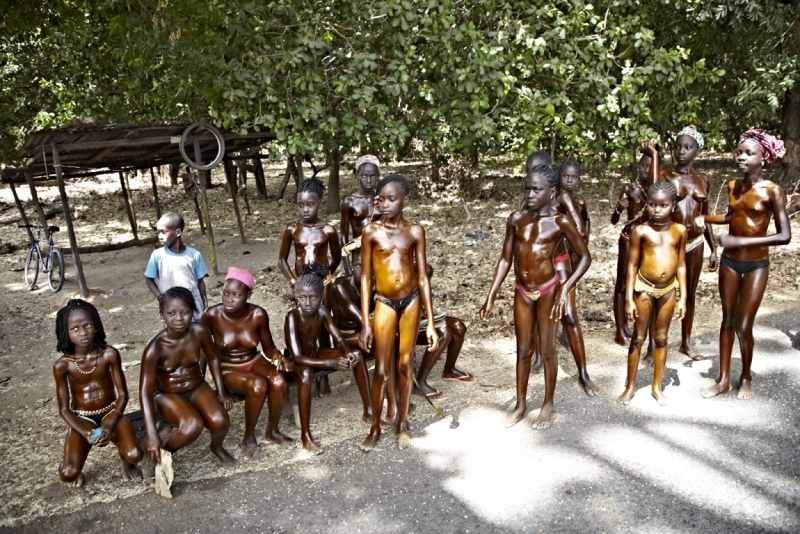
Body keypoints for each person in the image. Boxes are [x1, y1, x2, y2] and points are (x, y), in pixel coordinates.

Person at [480, 164, 591, 429]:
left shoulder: (560, 222)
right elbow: (505, 258)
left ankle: (548, 405)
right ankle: (520, 404)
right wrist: (491, 295)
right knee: (523, 349)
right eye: (527, 189)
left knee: (548, 349)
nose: (530, 194)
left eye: (536, 190)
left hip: (548, 290)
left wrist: (565, 288)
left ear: (551, 192)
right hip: (522, 291)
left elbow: (585, 256)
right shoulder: (516, 219)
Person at [703, 128, 790, 400]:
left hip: (756, 265)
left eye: (748, 153)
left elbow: (785, 236)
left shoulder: (773, 191)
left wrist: (741, 241)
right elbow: (732, 217)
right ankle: (723, 380)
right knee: (727, 321)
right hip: (730, 262)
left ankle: (746, 377)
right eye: (739, 152)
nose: (741, 157)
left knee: (743, 326)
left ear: (763, 158)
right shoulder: (733, 186)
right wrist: (704, 218)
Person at [359, 174, 438, 451]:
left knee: (405, 364)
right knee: (381, 369)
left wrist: (430, 322)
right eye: (382, 199)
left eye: (392, 199)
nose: (385, 204)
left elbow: (423, 277)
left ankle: (402, 425)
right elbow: (365, 278)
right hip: (384, 302)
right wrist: (365, 322)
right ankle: (375, 427)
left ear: (405, 201)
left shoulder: (415, 231)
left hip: (411, 301)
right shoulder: (371, 232)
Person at [330, 251, 474, 402]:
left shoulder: (379, 282)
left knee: (449, 329)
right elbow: (363, 320)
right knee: (396, 335)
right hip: (349, 335)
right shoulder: (341, 286)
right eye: (357, 265)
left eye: (367, 266)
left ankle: (424, 379)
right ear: (351, 266)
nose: (362, 270)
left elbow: (422, 275)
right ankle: (401, 386)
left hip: (374, 328)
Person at [201, 267, 295, 460]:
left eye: (236, 295)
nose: (229, 299)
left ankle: (273, 431)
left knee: (278, 380)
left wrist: (276, 354)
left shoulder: (258, 315)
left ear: (248, 295)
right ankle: (248, 438)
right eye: (225, 293)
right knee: (257, 385)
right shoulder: (212, 316)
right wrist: (203, 382)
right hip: (228, 368)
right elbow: (203, 350)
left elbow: (268, 346)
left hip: (253, 360)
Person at [140, 287, 237, 471]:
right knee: (192, 425)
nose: (179, 318)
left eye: (185, 312)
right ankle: (165, 454)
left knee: (220, 420)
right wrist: (152, 434)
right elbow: (145, 392)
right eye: (171, 313)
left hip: (196, 386)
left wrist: (221, 392)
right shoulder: (155, 347)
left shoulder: (199, 332)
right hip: (167, 394)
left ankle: (217, 447)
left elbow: (213, 358)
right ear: (162, 314)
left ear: (193, 312)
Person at [641, 128, 718, 360]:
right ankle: (652, 344)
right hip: (670, 243)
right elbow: (653, 188)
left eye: (687, 147)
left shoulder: (703, 180)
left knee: (689, 293)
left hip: (695, 243)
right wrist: (654, 156)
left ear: (697, 151)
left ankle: (686, 342)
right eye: (678, 147)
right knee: (659, 291)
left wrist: (714, 248)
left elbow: (704, 217)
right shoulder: (666, 175)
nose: (681, 151)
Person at [53, 300, 143, 487]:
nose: (83, 332)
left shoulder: (109, 354)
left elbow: (123, 394)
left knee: (135, 455)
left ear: (96, 325)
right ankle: (75, 460)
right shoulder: (63, 365)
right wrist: (84, 432)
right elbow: (64, 409)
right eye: (75, 328)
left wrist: (109, 425)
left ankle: (125, 460)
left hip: (111, 411)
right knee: (68, 474)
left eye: (87, 325)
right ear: (66, 332)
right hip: (83, 418)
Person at [284, 262, 370, 455]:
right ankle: (306, 436)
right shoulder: (292, 317)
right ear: (296, 297)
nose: (308, 303)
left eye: (313, 297)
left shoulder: (322, 311)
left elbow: (338, 337)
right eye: (302, 297)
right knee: (305, 374)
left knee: (357, 355)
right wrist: (330, 362)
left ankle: (369, 411)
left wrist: (346, 351)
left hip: (315, 355)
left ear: (321, 296)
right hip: (295, 362)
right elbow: (297, 358)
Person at [617, 181, 687, 406]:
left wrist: (683, 297)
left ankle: (657, 386)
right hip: (644, 288)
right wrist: (629, 299)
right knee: (638, 337)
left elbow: (681, 265)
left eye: (663, 205)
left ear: (673, 205)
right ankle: (630, 386)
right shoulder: (641, 231)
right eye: (652, 205)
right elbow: (631, 266)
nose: (657, 210)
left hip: (668, 290)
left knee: (662, 338)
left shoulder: (679, 230)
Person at [279, 176, 342, 398]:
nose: (305, 209)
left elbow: (336, 258)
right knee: (305, 328)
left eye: (310, 204)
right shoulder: (292, 229)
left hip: (322, 285)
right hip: (302, 285)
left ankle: (324, 377)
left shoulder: (329, 230)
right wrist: (292, 280)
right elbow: (282, 260)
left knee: (323, 326)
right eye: (301, 205)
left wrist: (326, 275)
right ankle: (310, 371)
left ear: (319, 203)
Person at [550, 160, 598, 396]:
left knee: (569, 315)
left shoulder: (565, 199)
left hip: (561, 260)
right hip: (539, 267)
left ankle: (583, 374)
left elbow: (581, 229)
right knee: (542, 316)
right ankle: (540, 358)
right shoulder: (530, 200)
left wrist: (570, 237)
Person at [611, 153, 653, 346]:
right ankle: (620, 331)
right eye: (643, 165)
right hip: (629, 239)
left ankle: (631, 325)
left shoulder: (655, 190)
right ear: (638, 166)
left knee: (639, 284)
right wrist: (619, 208)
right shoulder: (629, 189)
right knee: (622, 284)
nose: (645, 170)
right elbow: (614, 220)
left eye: (649, 166)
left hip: (648, 241)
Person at [145, 212, 208, 321]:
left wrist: (205, 304)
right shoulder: (158, 255)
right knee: (177, 329)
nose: (160, 236)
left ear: (178, 232)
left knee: (196, 329)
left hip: (195, 307)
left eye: (163, 232)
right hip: (172, 308)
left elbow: (200, 282)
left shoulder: (194, 255)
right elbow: (149, 280)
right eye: (158, 232)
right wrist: (161, 298)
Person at [340, 155, 380, 275]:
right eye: (364, 175)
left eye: (373, 176)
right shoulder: (349, 201)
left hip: (379, 250)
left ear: (378, 176)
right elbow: (343, 235)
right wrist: (347, 269)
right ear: (358, 175)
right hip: (358, 252)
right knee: (360, 283)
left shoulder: (381, 200)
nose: (369, 180)